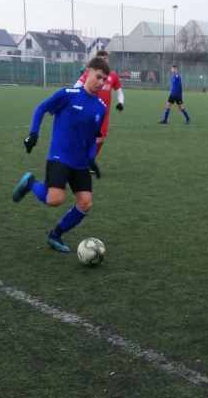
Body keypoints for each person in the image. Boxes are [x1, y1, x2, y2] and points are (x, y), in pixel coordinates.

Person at [11, 56, 109, 252]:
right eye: (98, 77)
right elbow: (41, 108)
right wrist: (33, 134)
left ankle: (55, 235)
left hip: (80, 162)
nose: (101, 82)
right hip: (60, 156)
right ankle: (30, 183)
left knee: (85, 203)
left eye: (104, 79)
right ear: (87, 73)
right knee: (55, 200)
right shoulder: (68, 94)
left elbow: (93, 136)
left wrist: (91, 158)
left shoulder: (101, 107)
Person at [85, 50, 125, 177]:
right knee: (88, 138)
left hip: (104, 114)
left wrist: (121, 102)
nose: (104, 60)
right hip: (89, 110)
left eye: (105, 58)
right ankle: (84, 161)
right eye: (101, 58)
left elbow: (119, 91)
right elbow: (78, 85)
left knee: (100, 140)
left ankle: (88, 161)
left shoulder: (112, 76)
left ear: (108, 60)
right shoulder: (90, 73)